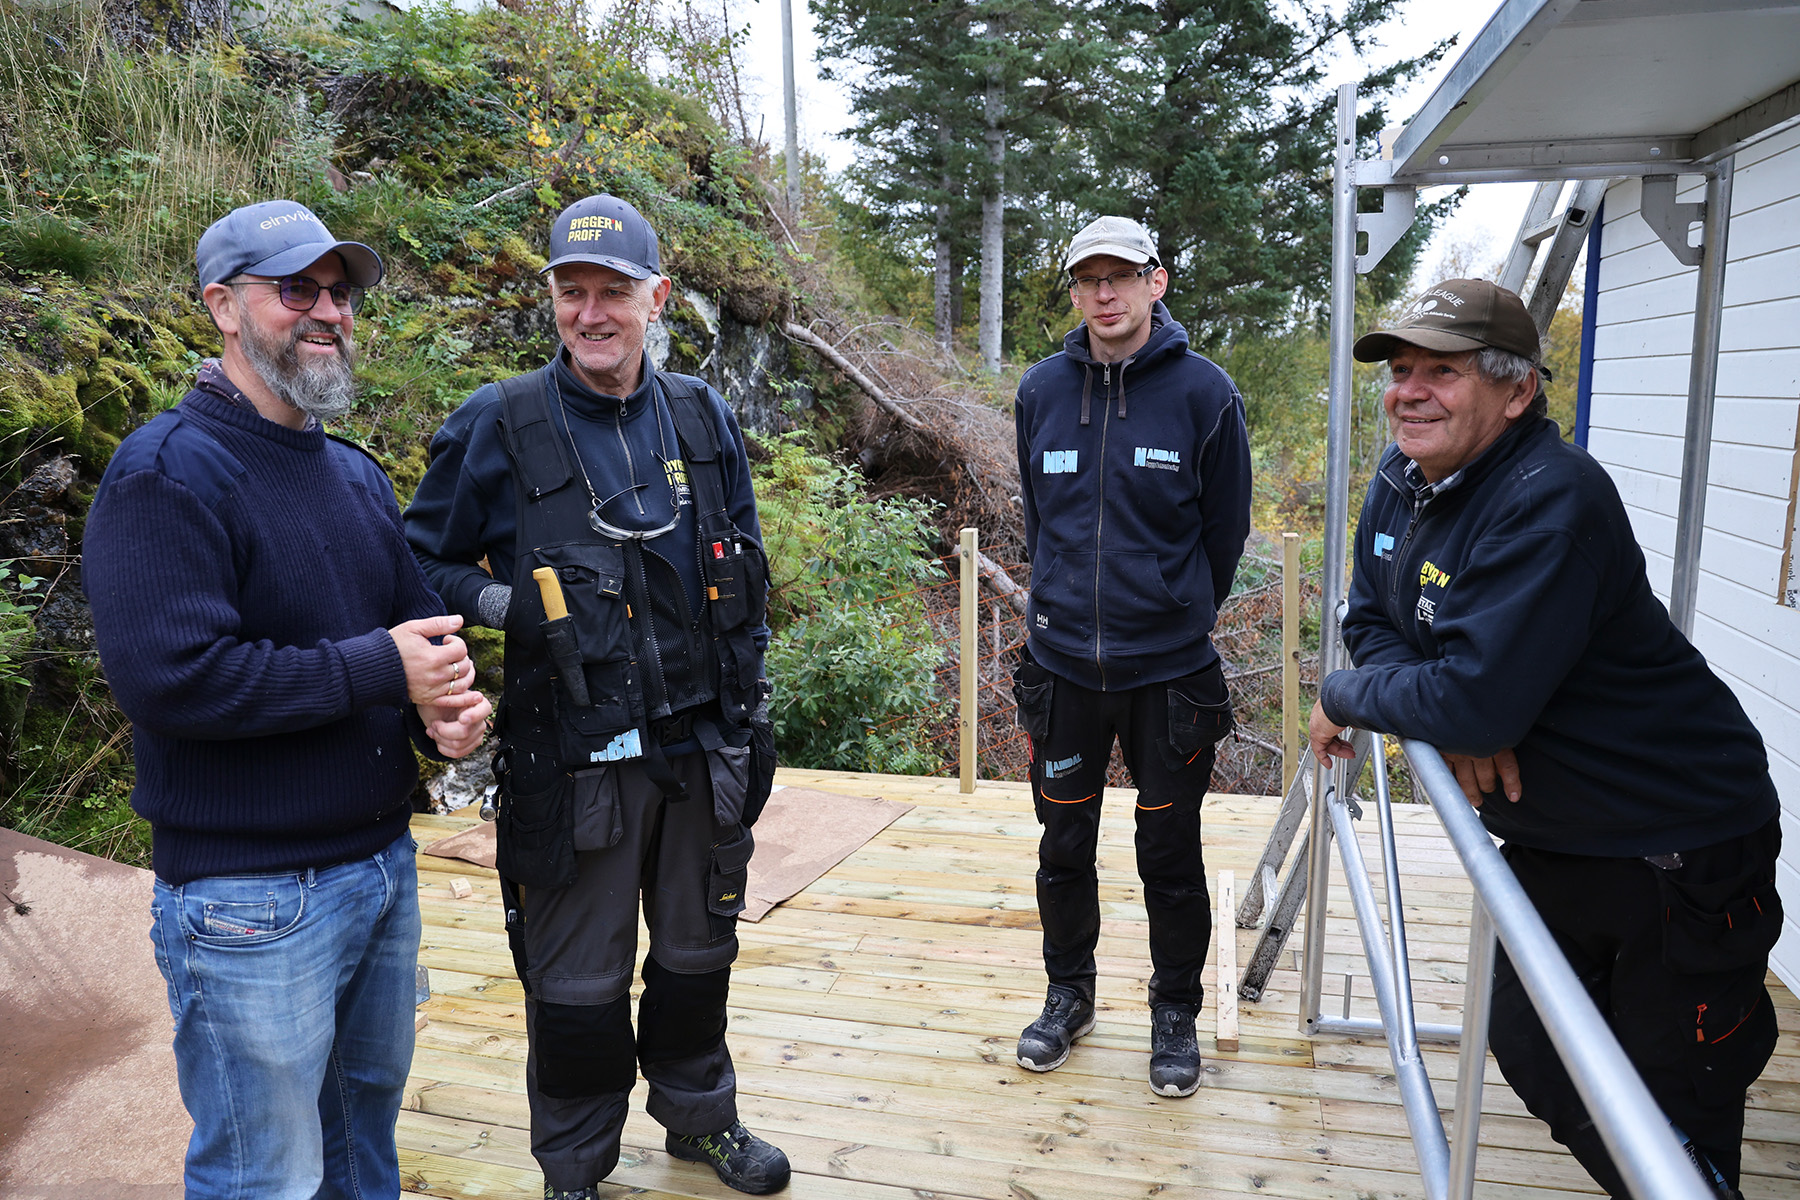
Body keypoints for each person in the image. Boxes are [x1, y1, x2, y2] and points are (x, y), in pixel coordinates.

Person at [1308, 278, 1783, 1200]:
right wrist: (1445, 707)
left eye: (1441, 371)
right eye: (1400, 370)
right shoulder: (1406, 480)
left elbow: (1471, 703)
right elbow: (1373, 620)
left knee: (1674, 1084)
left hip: (1673, 839)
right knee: (1530, 1037)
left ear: (1517, 390)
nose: (1409, 392)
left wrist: (1354, 696)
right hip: (1558, 829)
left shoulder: (1550, 500)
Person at [82, 200, 492, 1200]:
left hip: (381, 870)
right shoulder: (165, 475)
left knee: (362, 1152)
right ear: (223, 306)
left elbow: (420, 632)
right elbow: (174, 680)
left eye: (340, 293)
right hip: (249, 902)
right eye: (296, 289)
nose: (328, 311)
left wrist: (441, 716)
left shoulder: (351, 476)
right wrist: (384, 670)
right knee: (264, 1177)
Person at [403, 194, 786, 1198]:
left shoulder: (700, 416)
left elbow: (748, 563)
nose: (590, 313)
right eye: (570, 292)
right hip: (574, 759)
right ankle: (575, 1167)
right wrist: (505, 607)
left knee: (699, 957)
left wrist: (752, 714)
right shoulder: (498, 422)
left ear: (657, 298)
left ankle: (701, 1120)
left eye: (612, 291)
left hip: (701, 749)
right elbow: (417, 562)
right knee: (575, 985)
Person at [1010, 215, 1252, 1097]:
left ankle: (1174, 1009)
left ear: (1157, 282)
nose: (1104, 293)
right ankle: (1068, 995)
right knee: (1063, 843)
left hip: (1169, 675)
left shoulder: (1204, 393)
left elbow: (1225, 532)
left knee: (1170, 851)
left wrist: (1172, 611)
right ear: (1076, 291)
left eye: (1121, 276)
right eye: (1088, 279)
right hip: (1063, 668)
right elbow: (1040, 518)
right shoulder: (1041, 391)